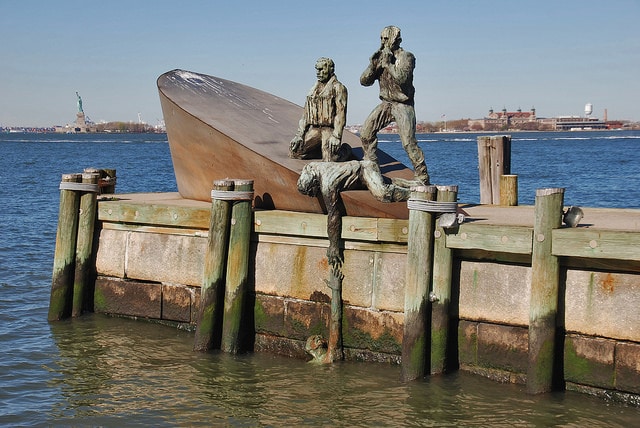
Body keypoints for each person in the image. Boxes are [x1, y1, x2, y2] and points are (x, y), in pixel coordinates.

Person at [360, 26, 429, 185]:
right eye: (381, 39)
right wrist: (373, 65)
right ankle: (372, 166)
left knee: (408, 142)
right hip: (386, 103)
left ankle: (422, 175)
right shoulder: (381, 58)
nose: (383, 42)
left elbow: (403, 78)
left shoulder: (407, 57)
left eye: (386, 39)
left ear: (397, 40)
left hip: (403, 105)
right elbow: (364, 81)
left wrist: (388, 64)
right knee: (365, 133)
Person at [290, 57, 352, 162]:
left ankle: (346, 150)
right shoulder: (312, 90)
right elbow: (305, 114)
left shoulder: (338, 88)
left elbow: (340, 114)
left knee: (330, 159)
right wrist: (299, 135)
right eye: (317, 69)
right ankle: (320, 150)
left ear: (331, 69)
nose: (318, 72)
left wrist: (336, 136)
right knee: (295, 151)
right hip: (314, 129)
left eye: (321, 69)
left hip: (329, 129)